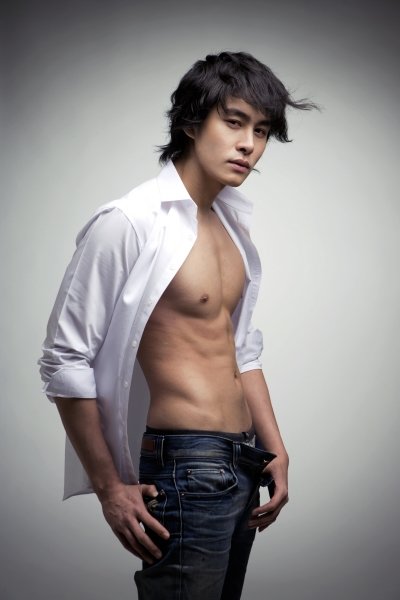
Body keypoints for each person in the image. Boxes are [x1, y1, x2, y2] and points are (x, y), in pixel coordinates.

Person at [38, 51, 314, 599]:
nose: (249, 144)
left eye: (261, 131)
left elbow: (241, 348)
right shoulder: (130, 221)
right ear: (191, 121)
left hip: (244, 459)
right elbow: (64, 360)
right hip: (187, 464)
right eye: (234, 122)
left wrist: (276, 447)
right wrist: (110, 488)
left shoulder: (231, 226)